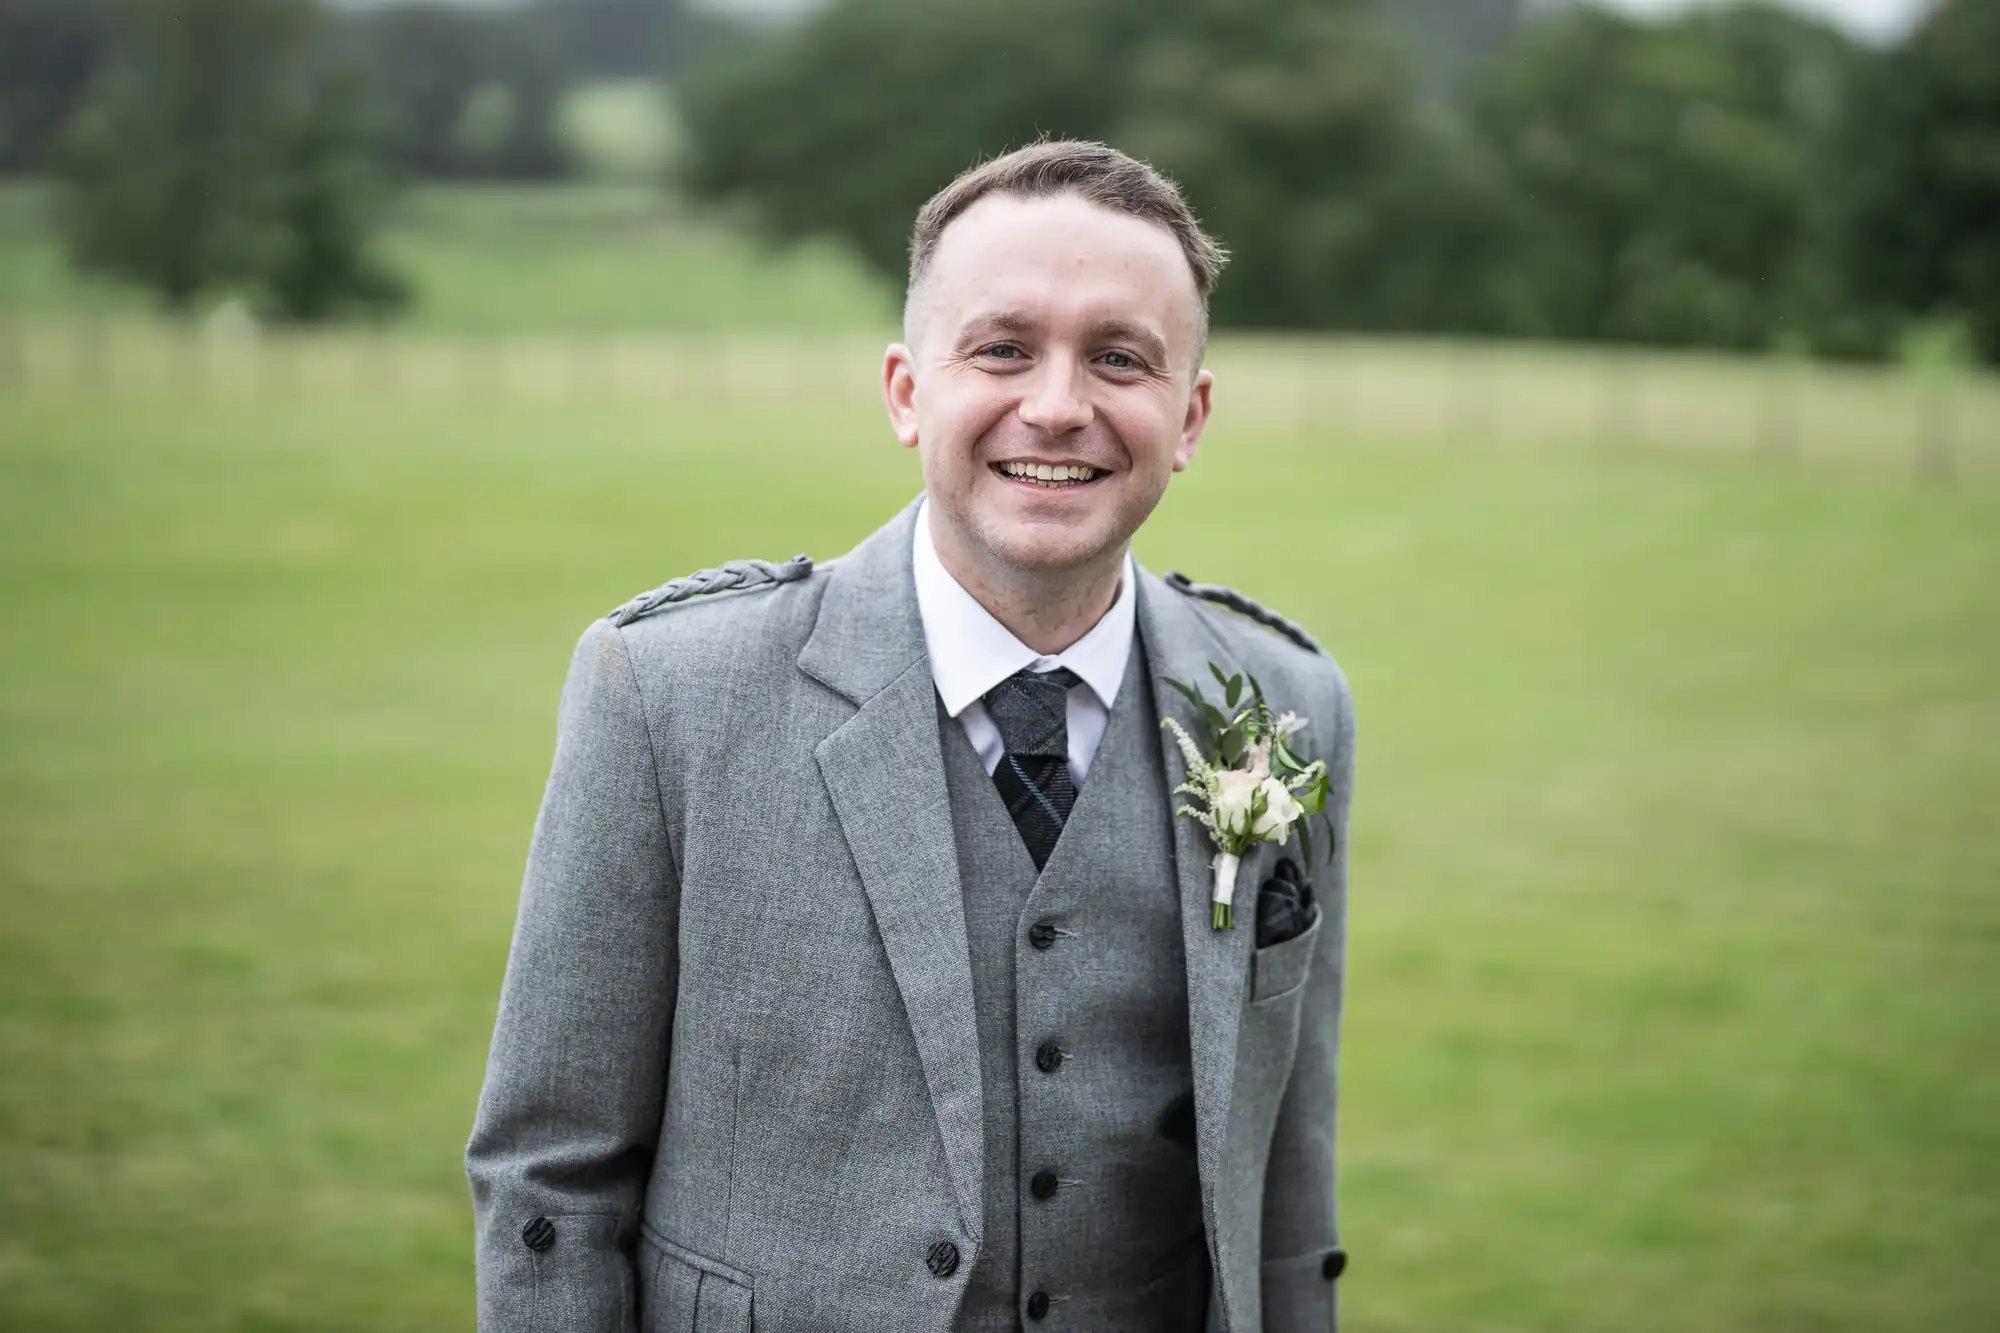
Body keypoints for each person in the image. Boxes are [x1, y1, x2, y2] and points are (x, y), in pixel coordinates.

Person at [467, 139, 1357, 1333]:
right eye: (1001, 348)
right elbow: (550, 1182)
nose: (1056, 404)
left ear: (1187, 416)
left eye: (1118, 358)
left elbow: (1285, 1190)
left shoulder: (1285, 704)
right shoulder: (666, 692)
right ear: (905, 391)